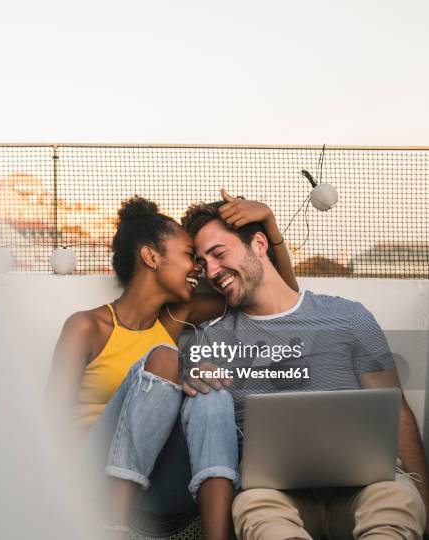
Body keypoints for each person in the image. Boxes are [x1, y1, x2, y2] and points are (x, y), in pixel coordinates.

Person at [46, 192, 297, 539]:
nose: (199, 267)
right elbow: (49, 427)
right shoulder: (87, 326)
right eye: (189, 256)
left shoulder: (176, 319)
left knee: (209, 385)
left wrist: (267, 224)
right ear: (150, 256)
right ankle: (109, 525)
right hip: (90, 477)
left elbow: (278, 295)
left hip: (153, 484)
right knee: (167, 358)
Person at [180, 199, 428, 539]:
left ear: (259, 244)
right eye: (202, 262)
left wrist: (425, 499)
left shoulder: (348, 317)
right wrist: (190, 377)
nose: (210, 271)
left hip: (366, 489)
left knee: (396, 500)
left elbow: (396, 410)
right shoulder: (211, 338)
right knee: (254, 509)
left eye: (219, 254)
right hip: (273, 498)